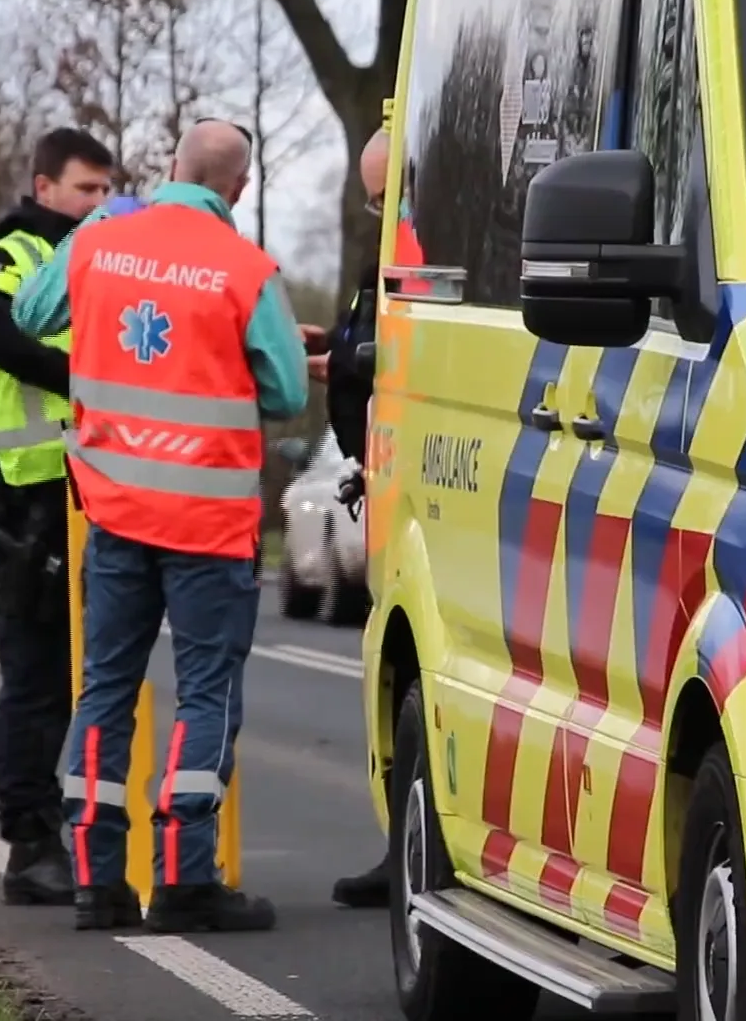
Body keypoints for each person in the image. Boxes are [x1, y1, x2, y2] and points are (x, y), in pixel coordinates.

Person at [11, 119, 317, 933]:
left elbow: (31, 311)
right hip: (208, 525)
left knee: (106, 688)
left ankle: (96, 880)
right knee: (205, 693)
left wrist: (95, 231)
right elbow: (287, 393)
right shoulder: (246, 270)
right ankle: (184, 878)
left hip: (115, 514)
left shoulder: (101, 240)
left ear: (170, 166)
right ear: (238, 190)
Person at [0, 127, 115, 906]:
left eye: (107, 190)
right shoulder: (9, 253)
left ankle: (76, 834)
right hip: (29, 497)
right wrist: (76, 376)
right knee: (36, 681)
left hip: (89, 492)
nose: (98, 202)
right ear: (44, 188)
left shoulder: (99, 255)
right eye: (86, 189)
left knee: (86, 678)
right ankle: (29, 845)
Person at [321, 129, 395, 909]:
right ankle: (400, 843)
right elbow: (360, 347)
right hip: (384, 476)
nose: (379, 210)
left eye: (384, 195)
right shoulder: (385, 263)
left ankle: (406, 848)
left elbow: (379, 353)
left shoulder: (423, 256)